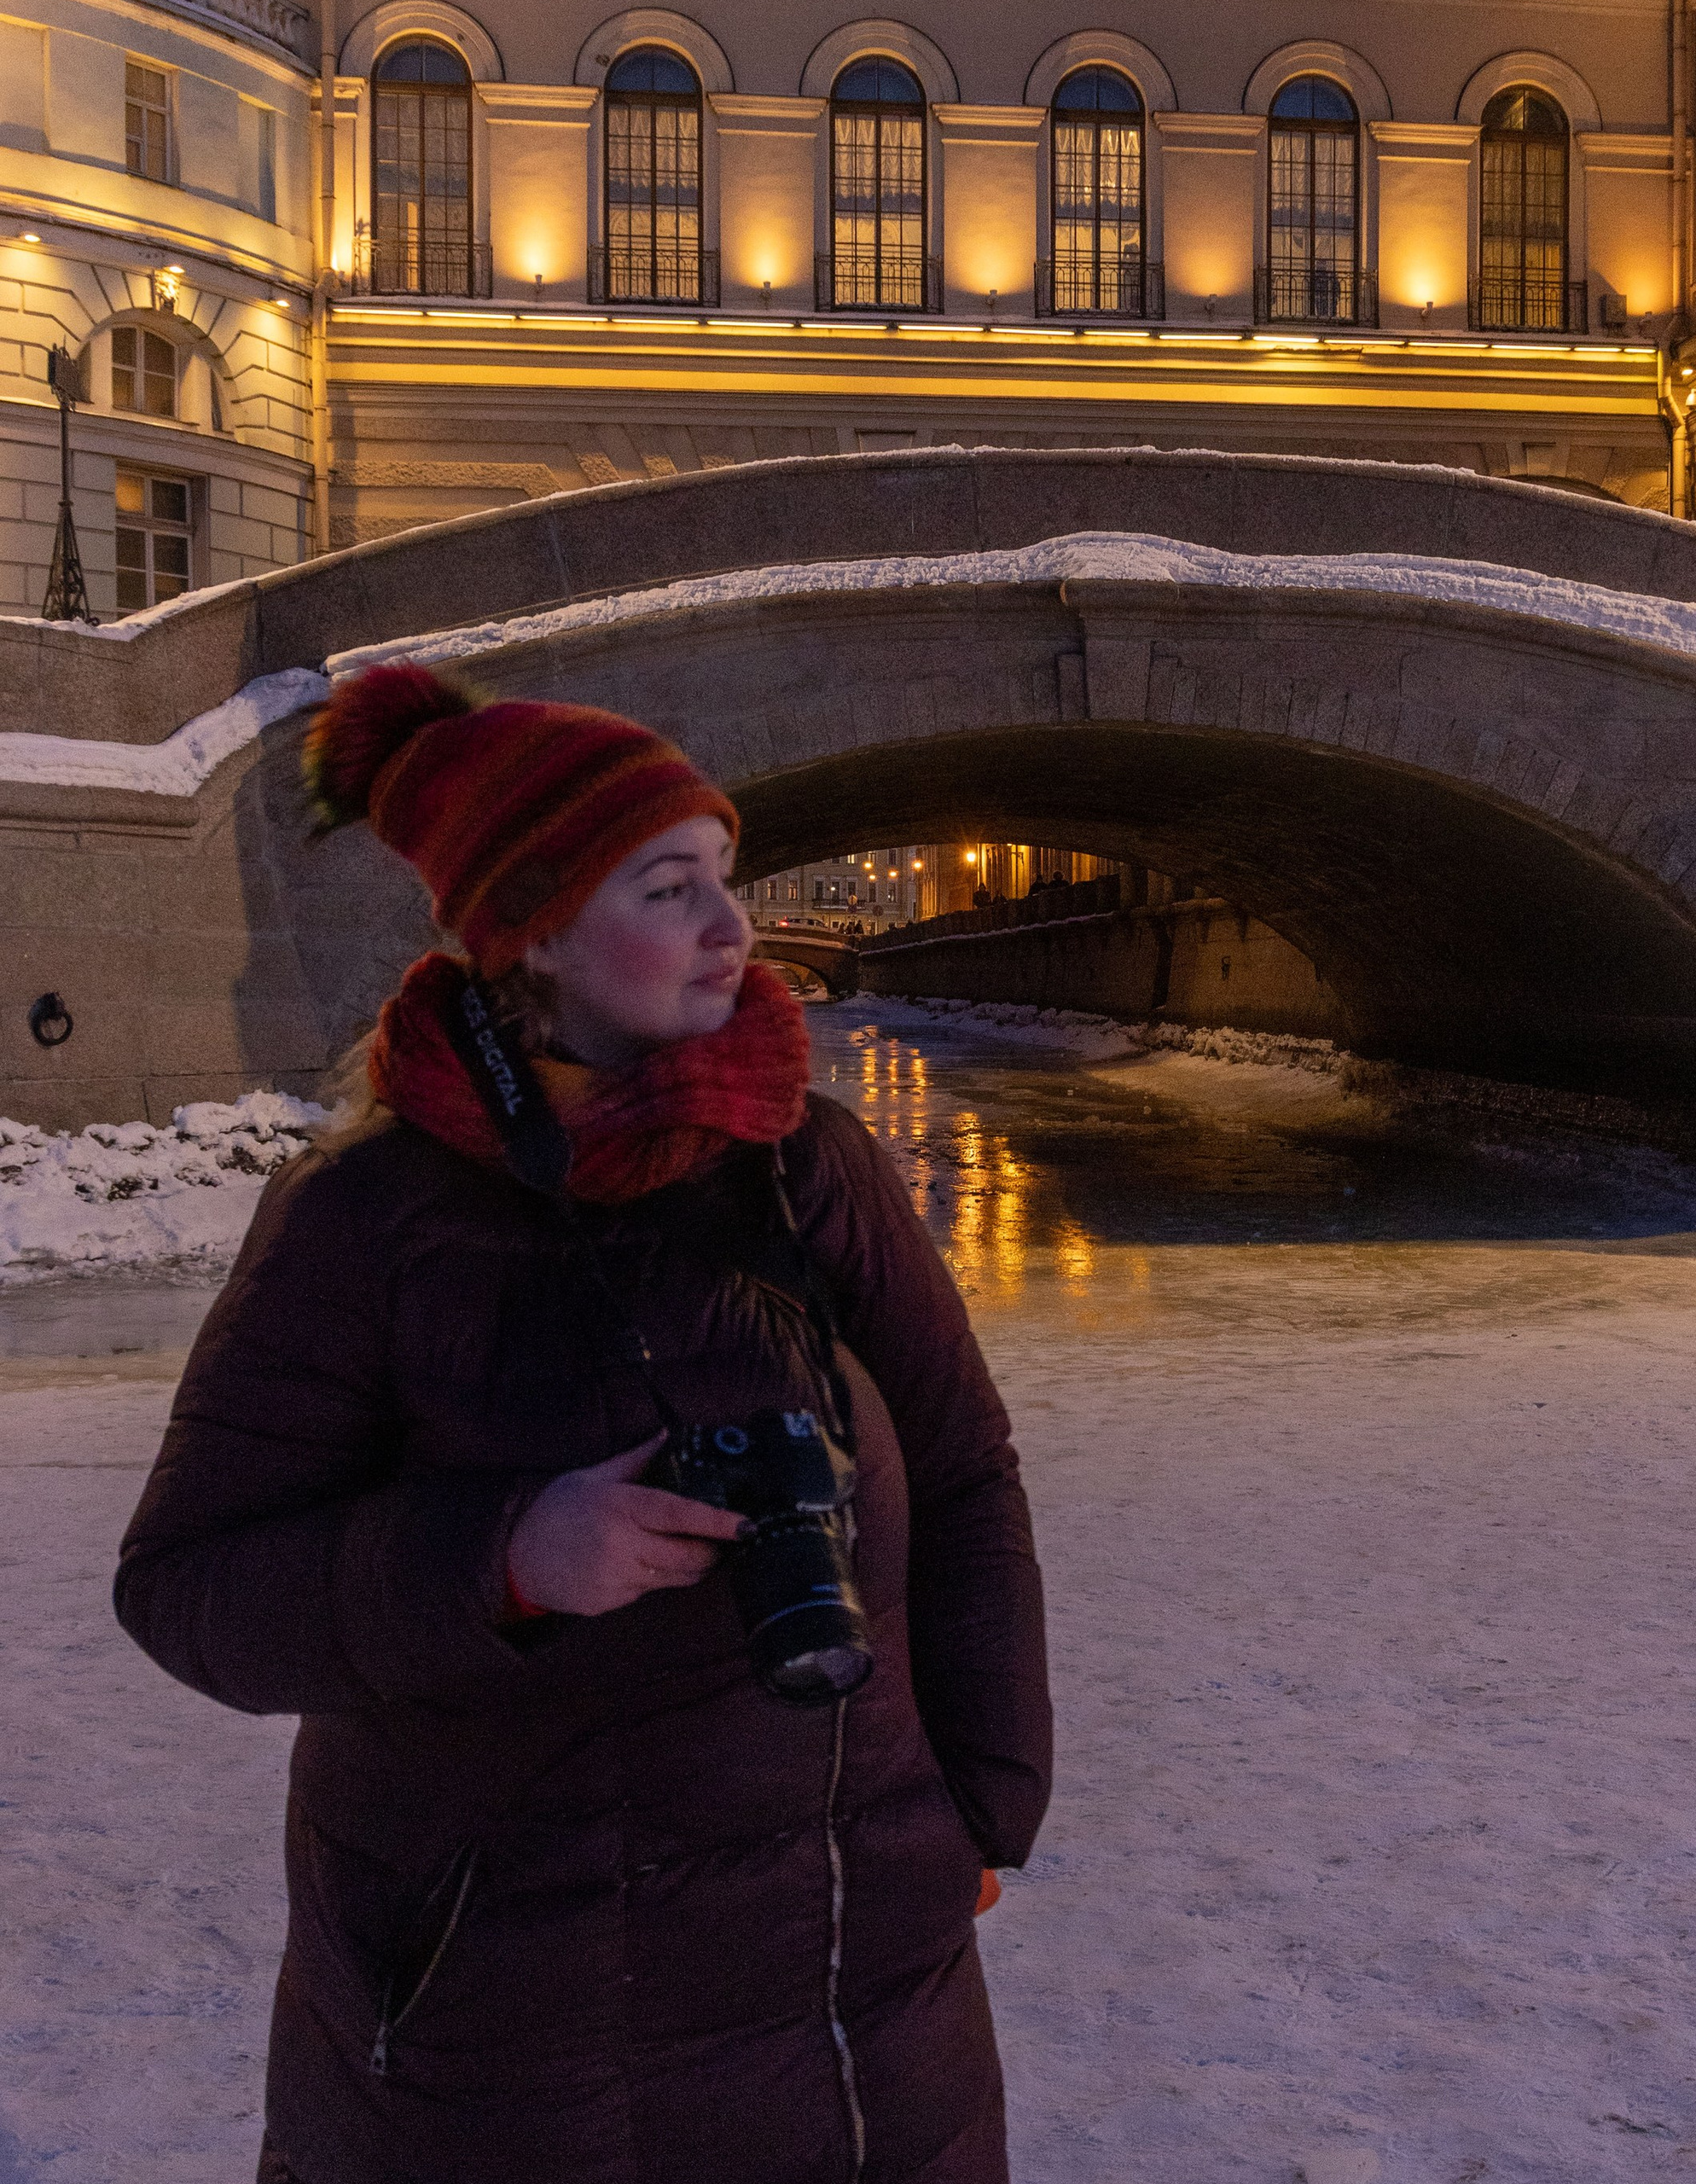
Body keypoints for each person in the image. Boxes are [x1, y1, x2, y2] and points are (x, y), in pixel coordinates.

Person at [113, 664, 1053, 2184]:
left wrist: (983, 1811)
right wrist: (506, 1559)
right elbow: (189, 1590)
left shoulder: (810, 1168)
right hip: (507, 2033)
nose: (732, 928)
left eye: (724, 880)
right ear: (532, 934)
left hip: (859, 2005)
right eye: (669, 888)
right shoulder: (364, 1221)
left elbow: (961, 1472)